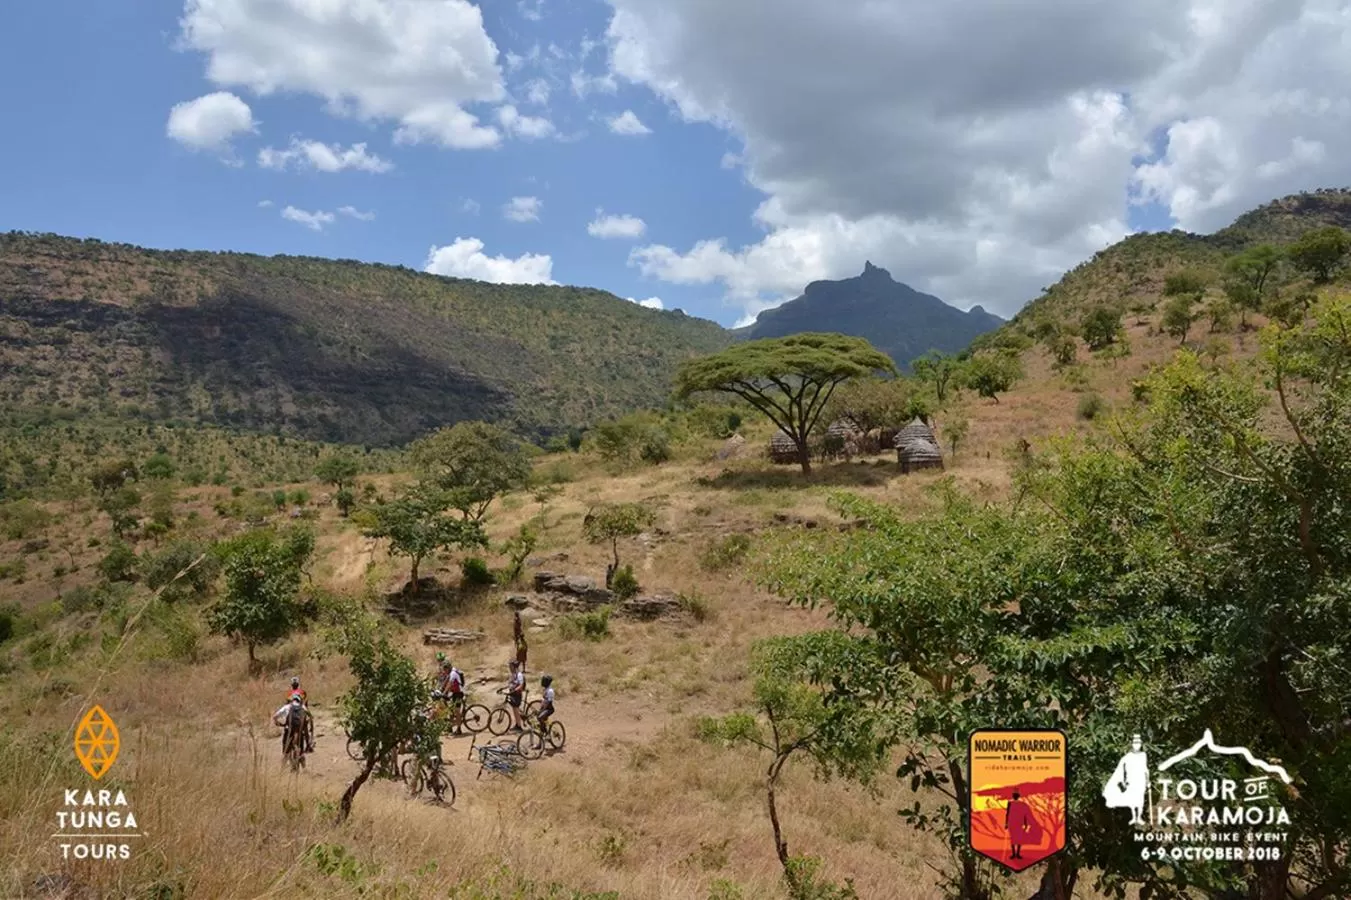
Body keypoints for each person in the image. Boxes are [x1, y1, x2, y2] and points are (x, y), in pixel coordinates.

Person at [1103, 734, 1150, 825]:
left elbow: (1145, 769)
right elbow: (1121, 768)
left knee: (1140, 799)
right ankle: (1133, 817)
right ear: (1132, 744)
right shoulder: (1128, 756)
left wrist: (1148, 781)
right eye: (1135, 743)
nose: (1137, 745)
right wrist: (1123, 780)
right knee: (1132, 799)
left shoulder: (1143, 755)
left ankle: (1139, 817)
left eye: (1138, 743)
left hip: (1141, 780)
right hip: (1131, 780)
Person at [287, 676, 314, 752]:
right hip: (300, 710)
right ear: (298, 684)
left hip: (292, 711)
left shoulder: (289, 693)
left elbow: (288, 703)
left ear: (291, 685)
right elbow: (304, 702)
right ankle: (308, 745)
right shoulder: (302, 692)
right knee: (305, 727)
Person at [506, 660, 526, 731]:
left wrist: (515, 690)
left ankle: (519, 726)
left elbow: (521, 685)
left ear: (514, 667)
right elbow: (510, 683)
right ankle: (517, 725)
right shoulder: (513, 674)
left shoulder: (519, 675)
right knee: (514, 710)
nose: (509, 668)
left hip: (517, 694)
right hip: (513, 694)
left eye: (511, 666)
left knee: (516, 710)